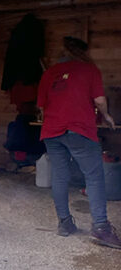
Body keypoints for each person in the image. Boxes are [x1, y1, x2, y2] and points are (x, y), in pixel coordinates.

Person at [37, 36, 121, 249]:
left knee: (60, 176)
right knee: (93, 175)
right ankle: (101, 228)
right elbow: (100, 100)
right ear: (84, 52)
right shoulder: (90, 69)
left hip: (52, 131)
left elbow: (41, 106)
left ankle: (65, 224)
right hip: (79, 128)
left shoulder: (49, 73)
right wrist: (108, 116)